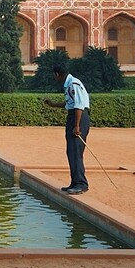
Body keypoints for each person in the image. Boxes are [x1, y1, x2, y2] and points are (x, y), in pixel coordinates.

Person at [44, 65, 91, 195]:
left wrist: (76, 126)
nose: (55, 79)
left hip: (78, 118)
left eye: (54, 76)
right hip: (74, 117)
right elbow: (70, 103)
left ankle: (81, 184)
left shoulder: (73, 84)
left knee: (75, 152)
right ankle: (75, 182)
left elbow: (79, 106)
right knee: (71, 151)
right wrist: (54, 104)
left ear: (57, 74)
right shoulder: (69, 84)